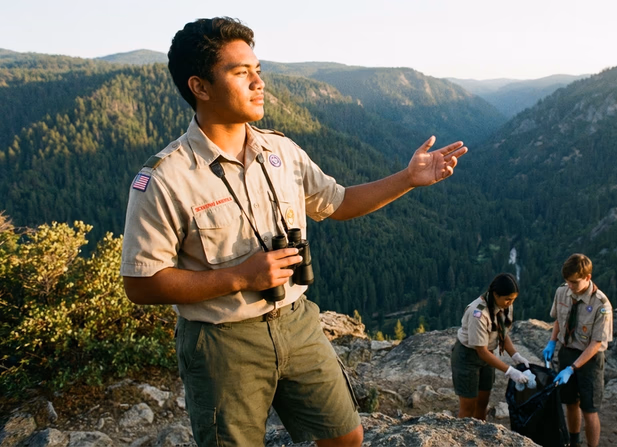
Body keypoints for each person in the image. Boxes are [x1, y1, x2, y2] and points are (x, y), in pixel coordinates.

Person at [120, 17, 468, 447]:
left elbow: (338, 203)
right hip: (222, 342)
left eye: (258, 71)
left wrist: (408, 178)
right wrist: (240, 277)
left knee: (345, 437)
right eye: (240, 73)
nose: (258, 83)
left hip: (298, 323)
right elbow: (140, 283)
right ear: (201, 87)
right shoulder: (166, 177)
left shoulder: (280, 150)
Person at [542, 254, 613, 447]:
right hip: (567, 352)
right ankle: (574, 442)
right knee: (570, 403)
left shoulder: (601, 304)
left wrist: (571, 369)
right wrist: (552, 342)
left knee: (589, 409)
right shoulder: (562, 292)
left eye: (574, 282)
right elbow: (559, 319)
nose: (570, 286)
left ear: (588, 278)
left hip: (589, 359)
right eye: (567, 281)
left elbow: (596, 343)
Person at [450, 273, 531, 420]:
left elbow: (502, 332)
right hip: (468, 357)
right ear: (495, 294)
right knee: (468, 406)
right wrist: (510, 371)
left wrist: (515, 355)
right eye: (507, 299)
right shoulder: (478, 314)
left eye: (513, 299)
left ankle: (479, 435)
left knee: (483, 402)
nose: (510, 303)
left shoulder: (505, 306)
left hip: (487, 356)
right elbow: (481, 351)